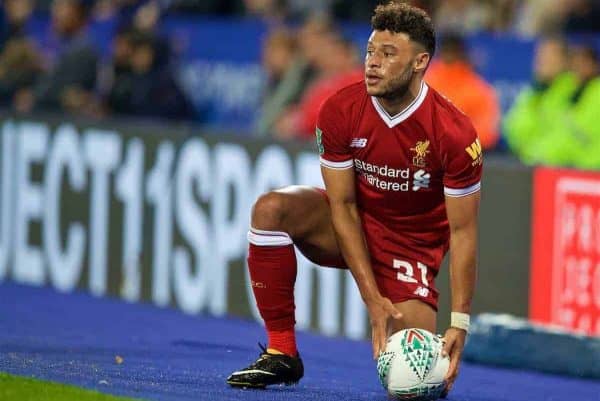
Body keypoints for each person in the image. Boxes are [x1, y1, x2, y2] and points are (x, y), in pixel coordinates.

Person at [227, 1, 482, 395]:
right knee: (270, 209)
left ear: (420, 62)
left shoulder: (454, 133)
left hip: (409, 250)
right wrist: (372, 298)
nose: (373, 63)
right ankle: (282, 351)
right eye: (370, 52)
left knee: (415, 383)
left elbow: (464, 232)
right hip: (354, 225)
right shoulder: (340, 109)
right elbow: (342, 205)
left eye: (388, 53)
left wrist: (459, 323)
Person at [426, 33, 501, 150]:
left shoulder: (478, 89)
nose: (450, 56)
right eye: (447, 51)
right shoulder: (424, 82)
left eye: (453, 52)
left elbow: (488, 132)